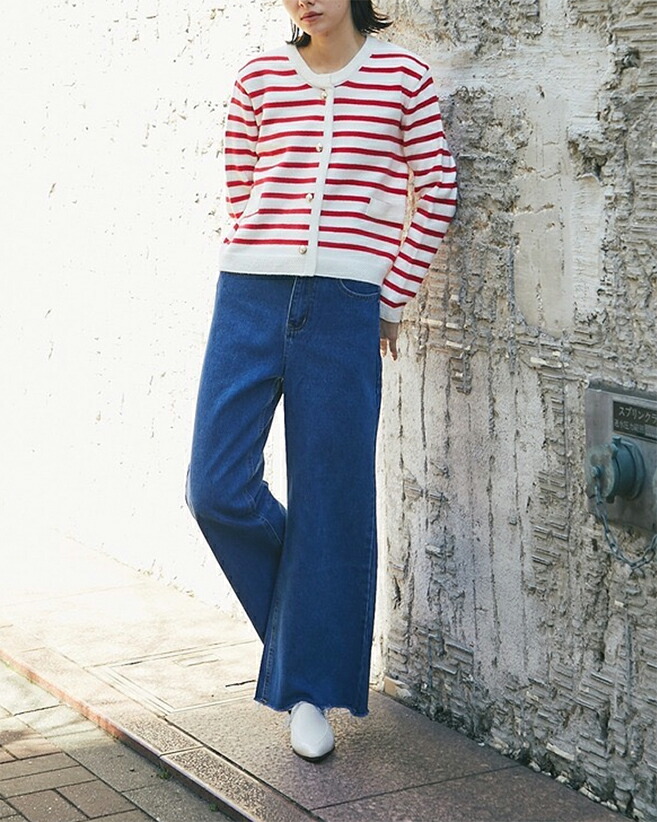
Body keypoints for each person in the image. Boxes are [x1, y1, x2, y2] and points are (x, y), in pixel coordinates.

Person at [186, 0, 457, 762]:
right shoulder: (258, 78)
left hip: (345, 306)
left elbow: (435, 188)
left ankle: (306, 689)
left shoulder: (402, 76)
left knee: (330, 503)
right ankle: (310, 639)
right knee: (215, 488)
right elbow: (242, 188)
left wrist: (389, 299)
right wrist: (265, 261)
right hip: (248, 296)